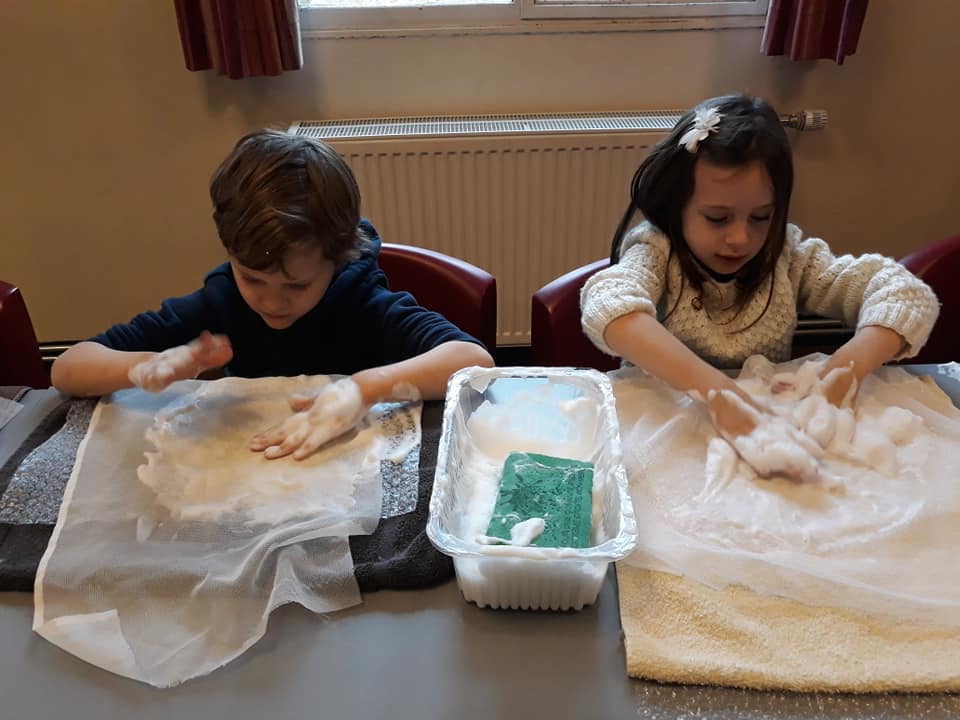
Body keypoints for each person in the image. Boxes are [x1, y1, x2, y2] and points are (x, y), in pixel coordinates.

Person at [52, 129, 493, 459]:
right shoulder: (220, 303)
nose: (270, 302)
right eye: (252, 279)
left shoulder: (362, 304)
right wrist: (147, 365)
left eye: (296, 285)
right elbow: (68, 369)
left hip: (354, 473)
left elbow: (474, 361)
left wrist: (363, 389)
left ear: (336, 260)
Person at [580, 93, 939, 477]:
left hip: (767, 434)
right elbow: (610, 307)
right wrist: (717, 393)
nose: (740, 238)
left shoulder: (788, 258)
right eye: (717, 218)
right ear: (677, 206)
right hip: (665, 437)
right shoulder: (657, 252)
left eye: (761, 217)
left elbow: (906, 295)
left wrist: (845, 370)